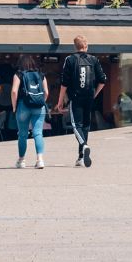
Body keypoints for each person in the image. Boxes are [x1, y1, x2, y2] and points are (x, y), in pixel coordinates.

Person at [55, 36, 105, 168]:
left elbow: (64, 83)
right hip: (89, 97)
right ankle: (81, 157)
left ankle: (84, 146)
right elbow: (102, 80)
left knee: (76, 125)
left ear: (75, 47)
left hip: (75, 97)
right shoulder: (94, 59)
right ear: (86, 46)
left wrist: (60, 101)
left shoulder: (70, 59)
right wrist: (95, 94)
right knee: (85, 126)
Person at [11, 55, 51, 169]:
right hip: (39, 107)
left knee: (22, 134)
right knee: (38, 133)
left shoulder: (19, 74)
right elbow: (46, 92)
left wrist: (14, 107)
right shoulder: (41, 75)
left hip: (23, 106)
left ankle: (21, 160)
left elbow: (14, 91)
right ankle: (40, 160)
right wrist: (40, 102)